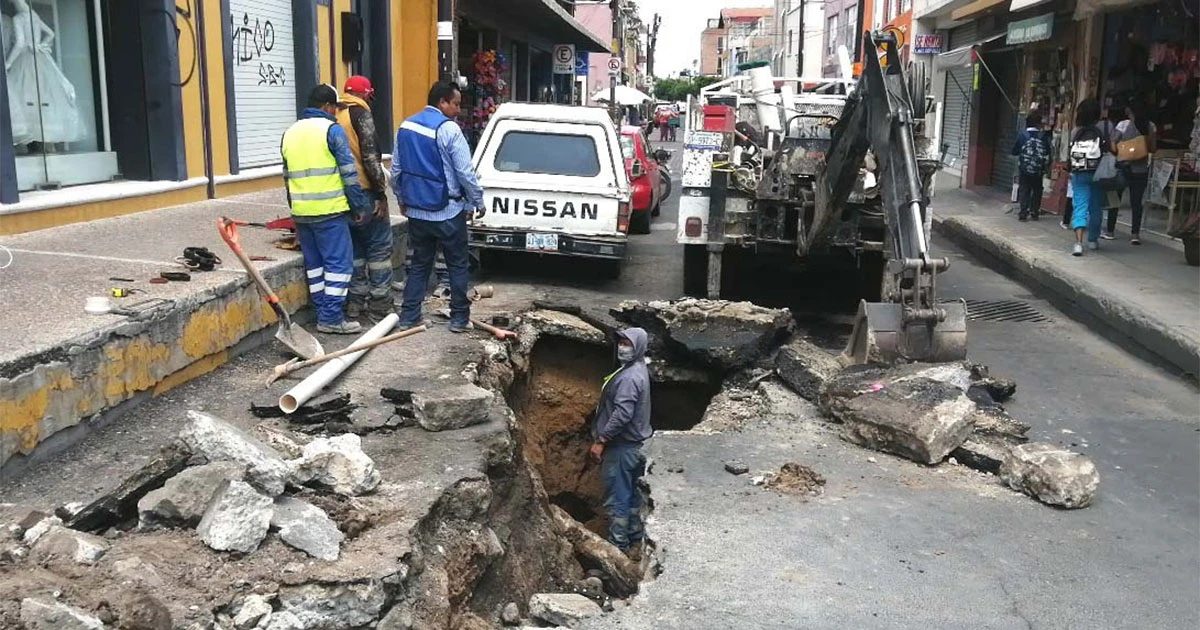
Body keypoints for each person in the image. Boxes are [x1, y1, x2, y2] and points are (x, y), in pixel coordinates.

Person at [392, 80, 484, 333]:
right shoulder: (449, 130)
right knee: (457, 265)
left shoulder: (406, 126)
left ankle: (409, 317)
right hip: (448, 211)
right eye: (455, 104)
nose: (458, 110)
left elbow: (396, 170)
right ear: (442, 102)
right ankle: (458, 319)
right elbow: (465, 172)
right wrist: (477, 200)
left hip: (417, 211)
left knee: (420, 264)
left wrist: (401, 198)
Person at [281, 84, 372, 334]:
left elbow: (287, 178)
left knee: (315, 265)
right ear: (328, 106)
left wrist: (294, 212)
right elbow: (349, 175)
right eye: (335, 109)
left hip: (302, 212)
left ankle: (322, 312)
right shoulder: (331, 130)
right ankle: (331, 318)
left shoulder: (290, 133)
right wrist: (358, 206)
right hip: (330, 211)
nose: (335, 114)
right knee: (339, 266)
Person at [589, 328, 653, 558]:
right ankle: (636, 541)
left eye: (628, 343)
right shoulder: (638, 369)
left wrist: (601, 440)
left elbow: (622, 414)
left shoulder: (629, 378)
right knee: (634, 496)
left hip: (621, 448)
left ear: (638, 347)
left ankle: (618, 552)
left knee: (618, 499)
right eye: (621, 342)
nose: (622, 347)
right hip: (638, 446)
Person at [336, 75, 394, 322]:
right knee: (379, 249)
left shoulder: (332, 115)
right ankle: (380, 306)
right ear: (365, 94)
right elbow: (370, 158)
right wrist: (381, 194)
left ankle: (354, 304)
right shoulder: (361, 114)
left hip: (339, 193)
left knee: (355, 251)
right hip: (364, 190)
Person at [1103, 102, 1157, 244]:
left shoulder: (1123, 125)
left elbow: (1112, 143)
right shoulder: (1150, 126)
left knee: (1115, 199)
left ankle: (1110, 231)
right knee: (1136, 202)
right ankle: (1135, 234)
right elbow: (1153, 148)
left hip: (1123, 167)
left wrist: (1119, 153)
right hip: (1141, 169)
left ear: (1129, 110)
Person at [1067, 98, 1110, 256]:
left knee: (1080, 206)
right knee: (1096, 208)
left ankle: (1078, 243)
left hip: (1079, 174)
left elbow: (1069, 153)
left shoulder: (1075, 132)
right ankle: (1092, 240)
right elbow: (1109, 151)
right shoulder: (1100, 132)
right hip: (1098, 174)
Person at [1012, 112, 1051, 221]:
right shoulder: (1043, 136)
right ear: (1039, 124)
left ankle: (1023, 213)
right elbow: (1048, 151)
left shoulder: (1022, 135)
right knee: (1037, 189)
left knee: (1024, 188)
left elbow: (1014, 151)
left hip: (1024, 168)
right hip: (1038, 169)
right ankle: (1034, 212)